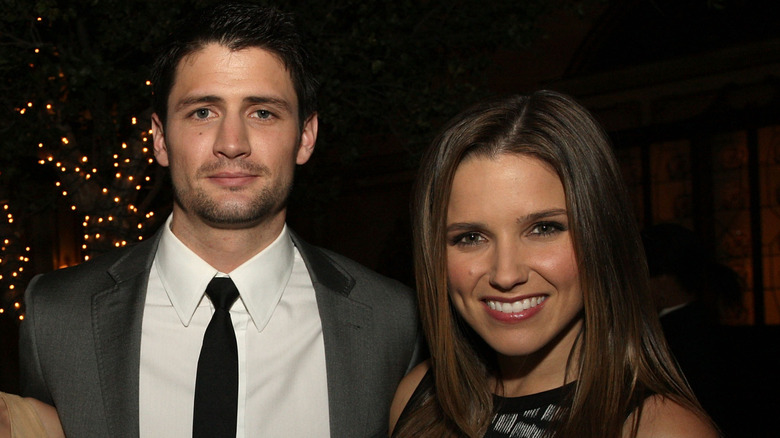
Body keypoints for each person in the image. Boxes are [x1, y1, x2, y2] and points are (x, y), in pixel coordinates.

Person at [19, 3, 421, 437]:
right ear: (159, 138)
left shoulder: (392, 320)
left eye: (262, 113)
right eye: (203, 112)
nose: (232, 144)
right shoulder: (58, 316)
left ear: (306, 137)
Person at [389, 91, 719, 437]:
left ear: (601, 238)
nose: (506, 273)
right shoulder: (419, 398)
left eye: (544, 229)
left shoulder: (657, 429)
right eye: (471, 237)